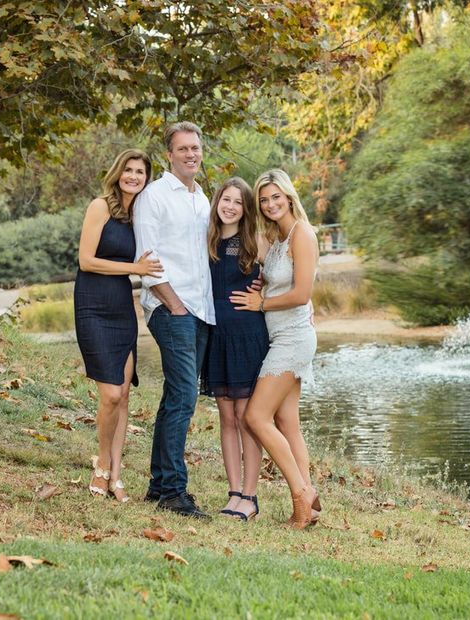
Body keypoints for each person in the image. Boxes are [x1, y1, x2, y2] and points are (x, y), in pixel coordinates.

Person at [133, 121, 215, 519]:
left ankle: (158, 485)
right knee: (184, 396)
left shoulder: (203, 199)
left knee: (176, 397)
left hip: (202, 312)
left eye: (195, 147)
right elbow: (147, 260)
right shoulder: (153, 196)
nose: (190, 154)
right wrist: (174, 305)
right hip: (172, 310)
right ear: (169, 154)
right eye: (182, 148)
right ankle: (174, 493)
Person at [230, 169, 321, 529]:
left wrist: (261, 305)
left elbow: (302, 294)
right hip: (280, 335)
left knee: (255, 417)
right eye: (263, 200)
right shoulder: (278, 237)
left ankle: (300, 495)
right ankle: (310, 502)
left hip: (293, 338)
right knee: (287, 423)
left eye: (275, 197)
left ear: (288, 195)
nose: (269, 204)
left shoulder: (303, 234)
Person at [75, 148, 163, 503]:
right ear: (118, 172)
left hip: (122, 308)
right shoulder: (100, 206)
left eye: (140, 172)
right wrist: (135, 270)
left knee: (124, 395)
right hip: (93, 304)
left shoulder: (139, 214)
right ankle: (101, 465)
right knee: (110, 393)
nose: (133, 176)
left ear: (146, 178)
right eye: (128, 170)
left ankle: (116, 473)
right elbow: (86, 261)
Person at [201, 177, 269, 521]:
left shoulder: (254, 240)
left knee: (246, 419)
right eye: (225, 200)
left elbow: (288, 275)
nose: (229, 206)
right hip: (217, 337)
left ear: (246, 209)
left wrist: (264, 299)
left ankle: (251, 496)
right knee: (226, 418)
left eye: (237, 202)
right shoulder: (209, 239)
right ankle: (233, 492)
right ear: (217, 202)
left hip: (246, 335)